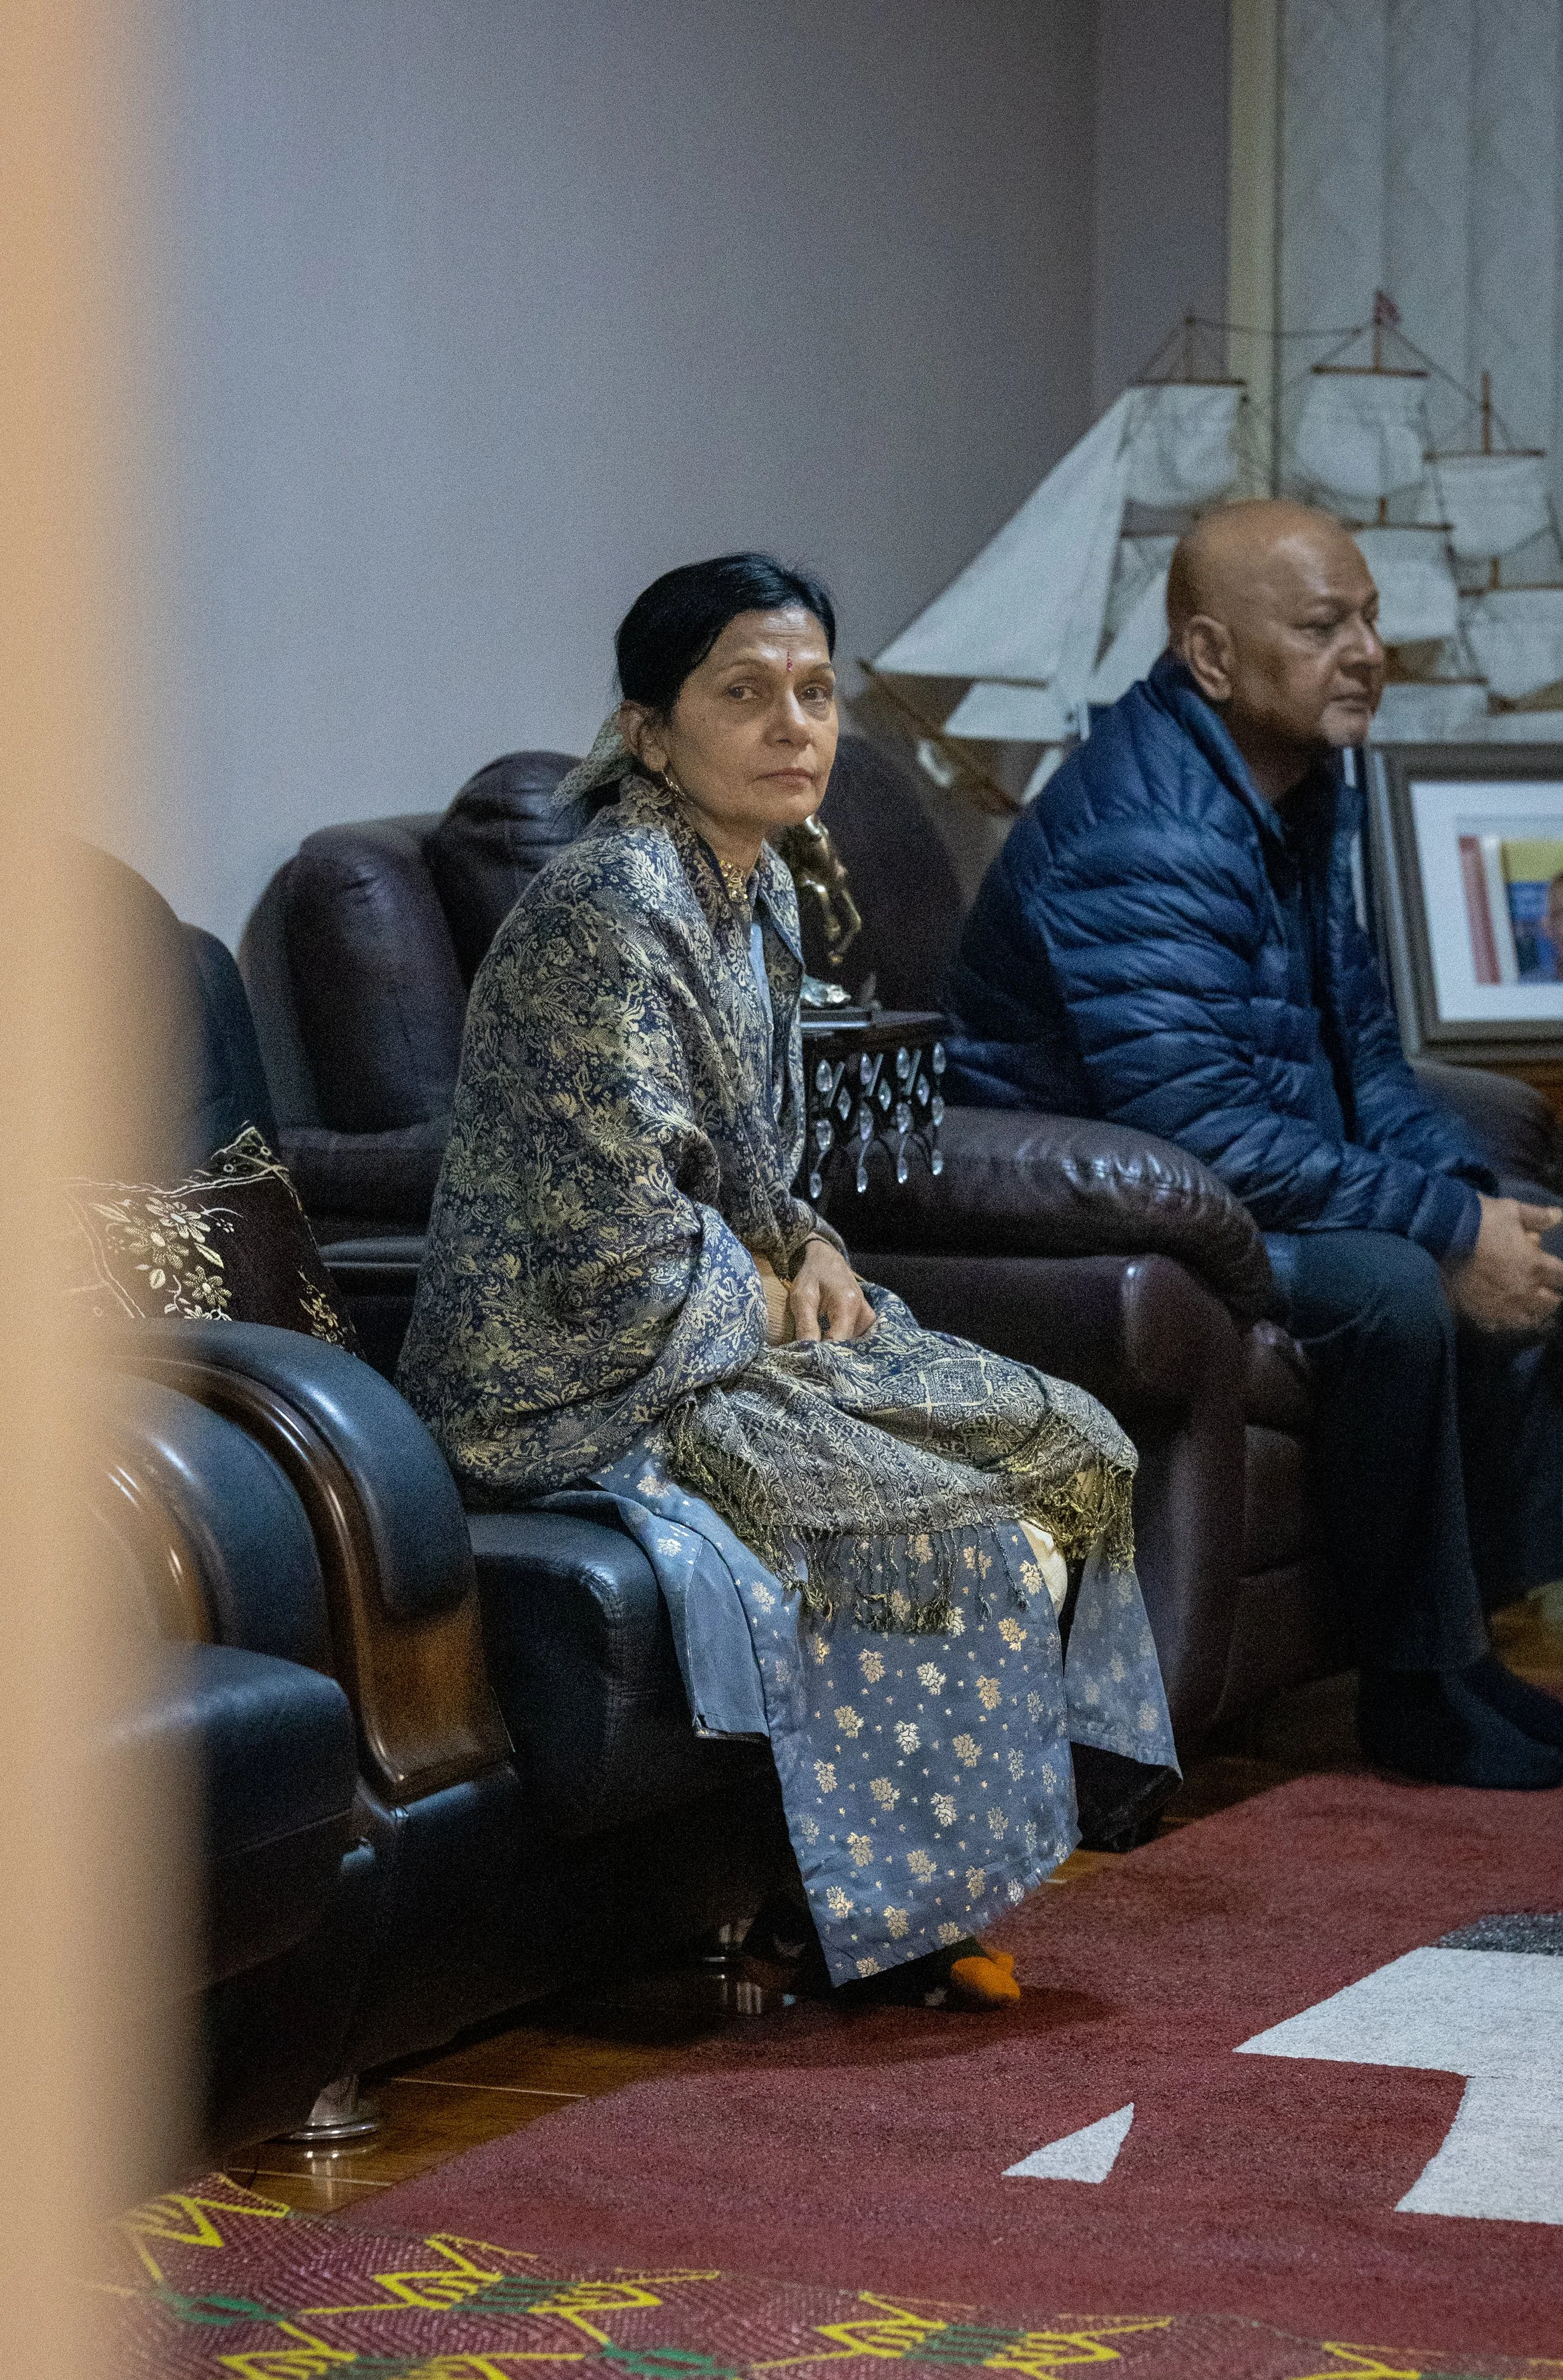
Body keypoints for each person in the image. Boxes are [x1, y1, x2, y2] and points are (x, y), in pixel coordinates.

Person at [399, 552, 1178, 2007]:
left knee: (1070, 1445)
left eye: (814, 693)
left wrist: (812, 1249)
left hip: (718, 1324)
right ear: (648, 729)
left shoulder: (756, 889)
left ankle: (905, 1895)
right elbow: (608, 1233)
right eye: (744, 694)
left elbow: (755, 1166)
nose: (792, 726)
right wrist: (768, 1299)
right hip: (576, 1371)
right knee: (929, 1521)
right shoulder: (607, 908)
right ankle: (875, 1926)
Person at [945, 500, 1563, 1790]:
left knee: (1542, 1239)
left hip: (1239, 1174)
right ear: (1210, 656)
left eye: (1369, 619)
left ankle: (1464, 1652)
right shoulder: (1148, 831)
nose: (1367, 650)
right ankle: (1410, 1686)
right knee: (1393, 1293)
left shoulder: (1303, 788)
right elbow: (1190, 1123)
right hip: (1129, 1205)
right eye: (1325, 627)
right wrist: (1436, 1233)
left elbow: (1362, 1048)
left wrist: (1472, 1199)